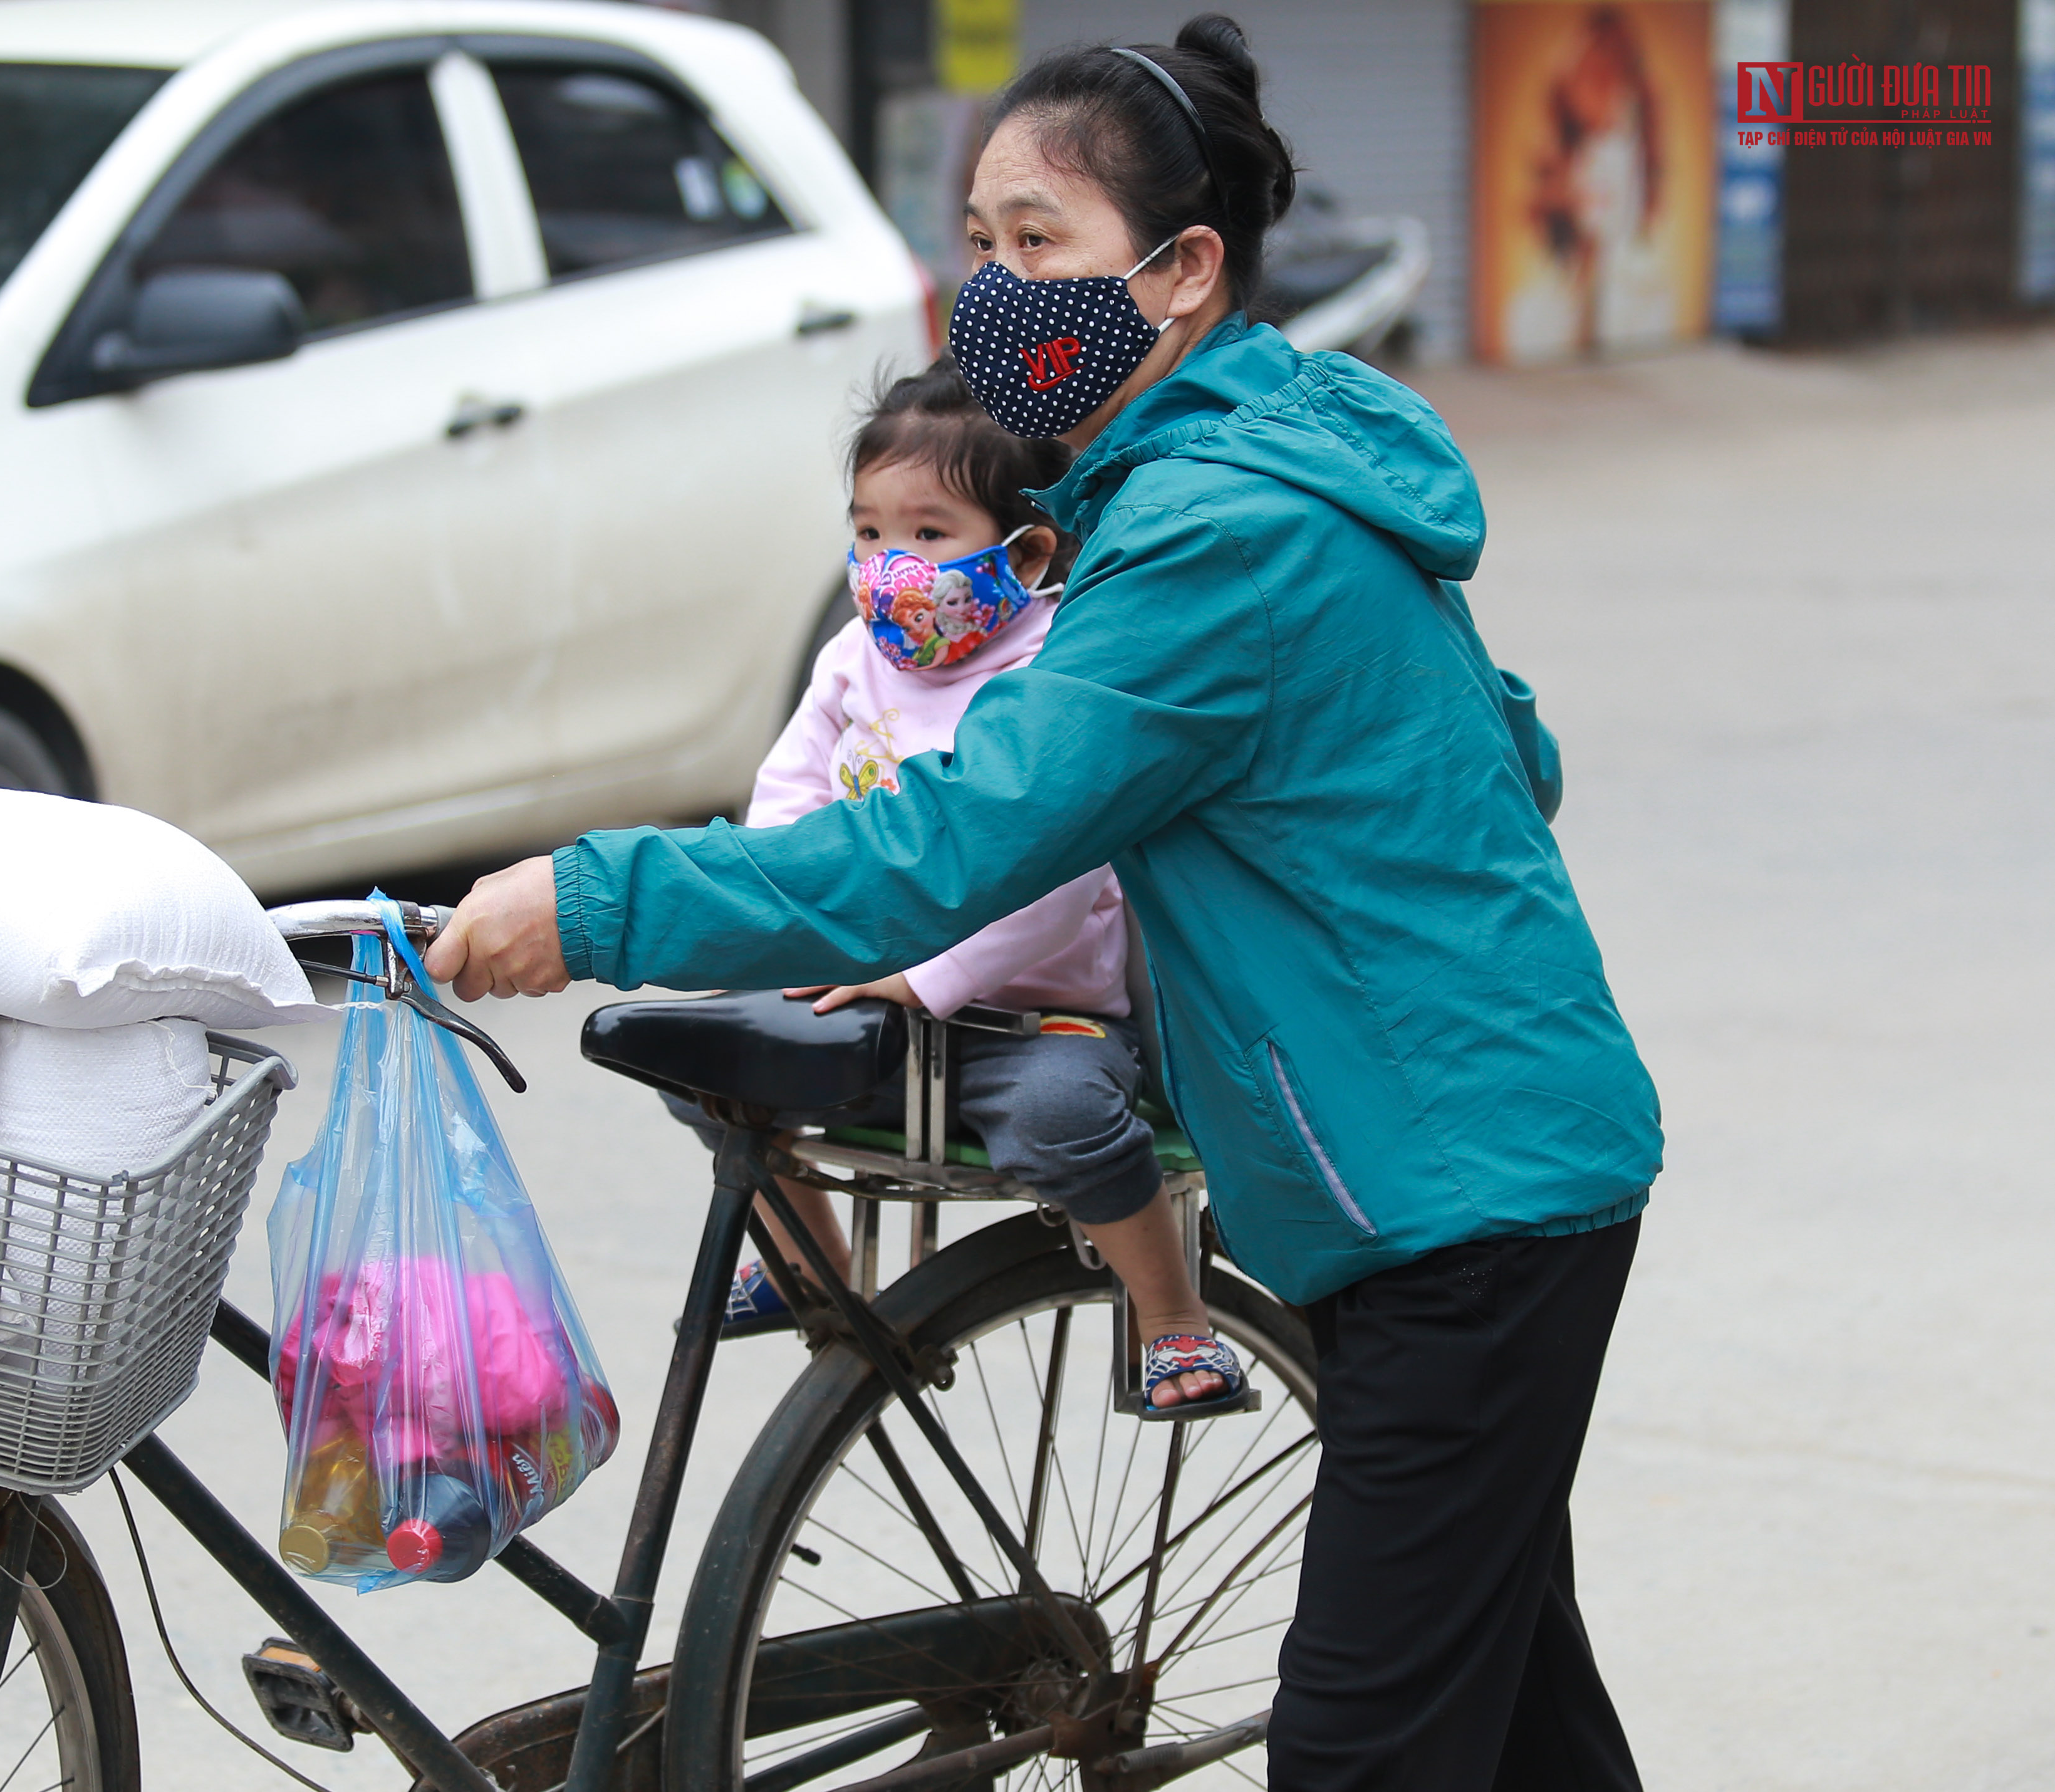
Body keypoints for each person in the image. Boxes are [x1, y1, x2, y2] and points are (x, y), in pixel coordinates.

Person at [430, 16, 1663, 1789]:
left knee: (1365, 1748)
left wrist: (597, 896)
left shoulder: (1214, 537)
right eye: (982, 243)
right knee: (1517, 1715)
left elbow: (944, 851)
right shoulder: (1249, 474)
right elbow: (1503, 755)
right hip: (1464, 1162)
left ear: (1178, 273)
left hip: (1463, 1194)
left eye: (1042, 244)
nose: (992, 289)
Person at [682, 357, 1238, 1414]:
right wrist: (775, 928)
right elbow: (787, 796)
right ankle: (815, 1268)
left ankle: (1170, 1315)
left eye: (929, 535)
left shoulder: (1054, 675)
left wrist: (918, 973)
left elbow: (1055, 880)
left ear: (1024, 551)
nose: (892, 564)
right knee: (710, 1061)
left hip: (1029, 1022)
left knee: (1068, 1113)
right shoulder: (854, 658)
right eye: (869, 533)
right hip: (862, 991)